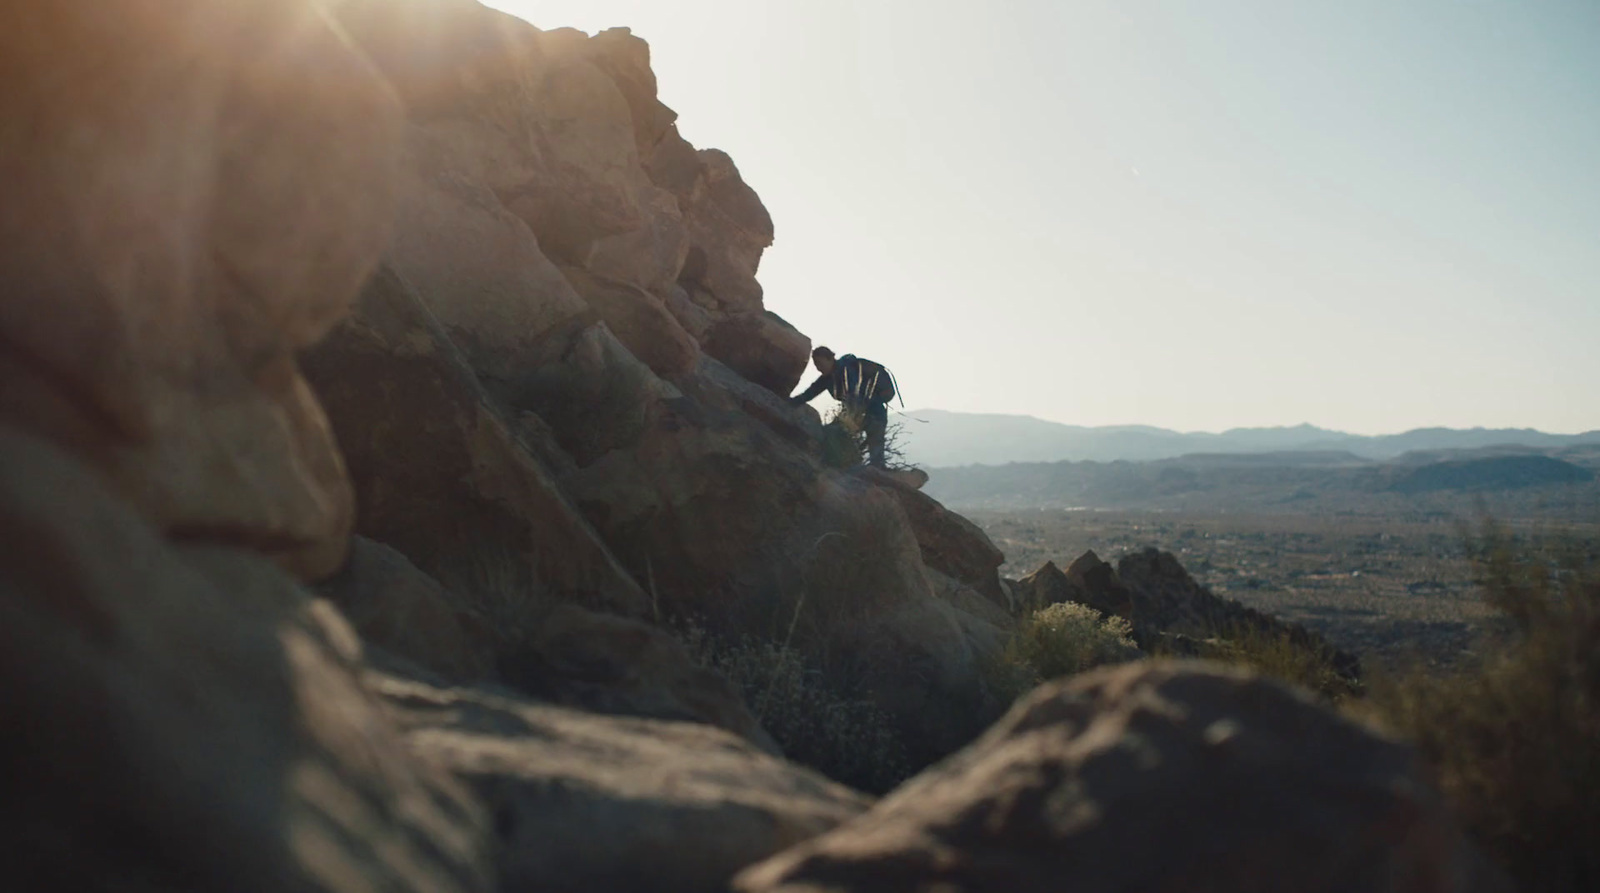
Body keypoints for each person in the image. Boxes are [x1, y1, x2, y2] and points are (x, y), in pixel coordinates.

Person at [790, 346, 897, 468]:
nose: (818, 368)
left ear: (829, 359)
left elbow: (854, 397)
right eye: (815, 364)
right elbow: (810, 393)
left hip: (874, 413)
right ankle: (854, 467)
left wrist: (847, 418)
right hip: (862, 414)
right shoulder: (828, 378)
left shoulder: (847, 371)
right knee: (837, 435)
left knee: (870, 447)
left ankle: (871, 473)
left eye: (819, 363)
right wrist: (790, 402)